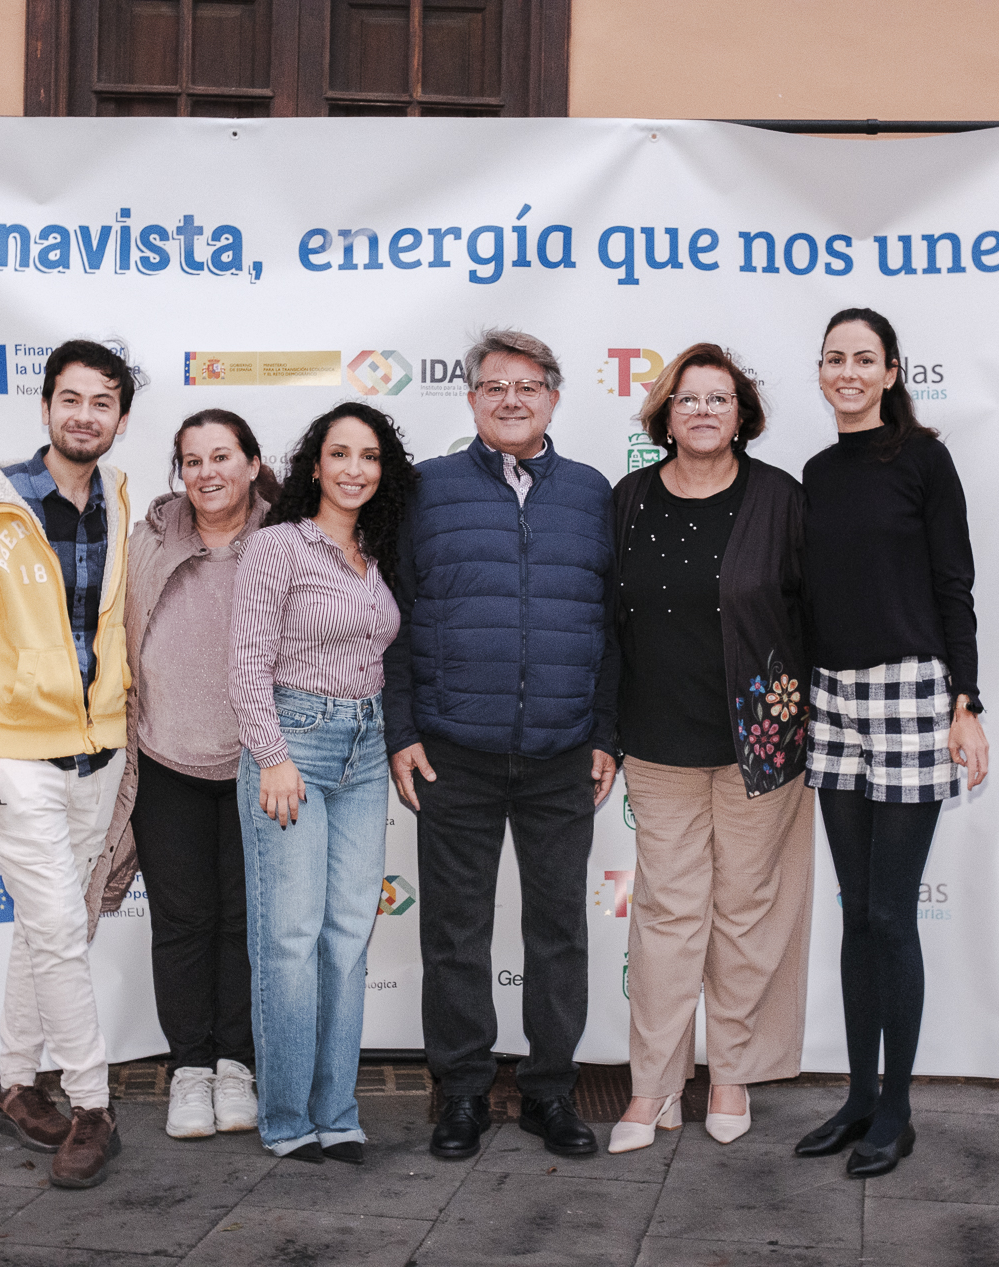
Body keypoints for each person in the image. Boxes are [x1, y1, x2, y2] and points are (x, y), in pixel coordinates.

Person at [385, 328, 619, 1161]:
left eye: (528, 385)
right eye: (495, 386)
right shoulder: (425, 491)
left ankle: (551, 1090)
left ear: (553, 396)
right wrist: (402, 730)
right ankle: (461, 1092)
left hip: (563, 752)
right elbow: (393, 617)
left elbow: (614, 626)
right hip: (454, 751)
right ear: (472, 398)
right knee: (454, 932)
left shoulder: (592, 493)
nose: (511, 399)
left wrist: (606, 731)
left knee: (559, 929)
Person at [0, 339, 142, 1190]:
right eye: (71, 399)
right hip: (13, 754)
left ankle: (15, 1085)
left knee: (47, 926)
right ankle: (92, 1103)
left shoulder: (120, 497)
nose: (85, 415)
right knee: (57, 926)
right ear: (45, 405)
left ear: (120, 418)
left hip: (98, 750)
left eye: (103, 402)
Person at [791, 308, 989, 1178]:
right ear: (821, 371)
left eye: (864, 358)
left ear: (892, 370)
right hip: (831, 697)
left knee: (889, 912)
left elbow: (955, 585)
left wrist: (966, 702)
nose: (848, 371)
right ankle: (859, 1097)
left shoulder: (924, 460)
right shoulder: (817, 471)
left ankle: (898, 1110)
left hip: (912, 692)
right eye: (835, 358)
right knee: (854, 909)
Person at [605, 344, 815, 1154]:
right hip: (657, 741)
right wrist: (602, 732)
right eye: (687, 398)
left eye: (718, 398)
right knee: (667, 914)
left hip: (762, 740)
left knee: (748, 910)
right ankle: (653, 1084)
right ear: (665, 413)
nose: (702, 411)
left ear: (741, 414)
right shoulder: (628, 500)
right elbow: (606, 623)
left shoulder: (780, 498)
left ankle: (732, 1072)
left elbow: (815, 615)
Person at [228, 402, 418, 1164]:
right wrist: (273, 755)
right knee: (290, 938)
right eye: (340, 453)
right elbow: (247, 661)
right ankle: (285, 1117)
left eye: (368, 456)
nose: (354, 469)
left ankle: (337, 1111)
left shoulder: (376, 552)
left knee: (346, 937)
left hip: (365, 751)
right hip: (293, 748)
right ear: (315, 464)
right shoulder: (278, 546)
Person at [90, 409, 282, 1141]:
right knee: (182, 923)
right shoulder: (148, 541)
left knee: (244, 922)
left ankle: (236, 1065)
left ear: (253, 464)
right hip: (166, 764)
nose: (207, 473)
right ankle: (191, 1070)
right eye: (192, 461)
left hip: (257, 768)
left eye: (222, 456)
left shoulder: (286, 541)